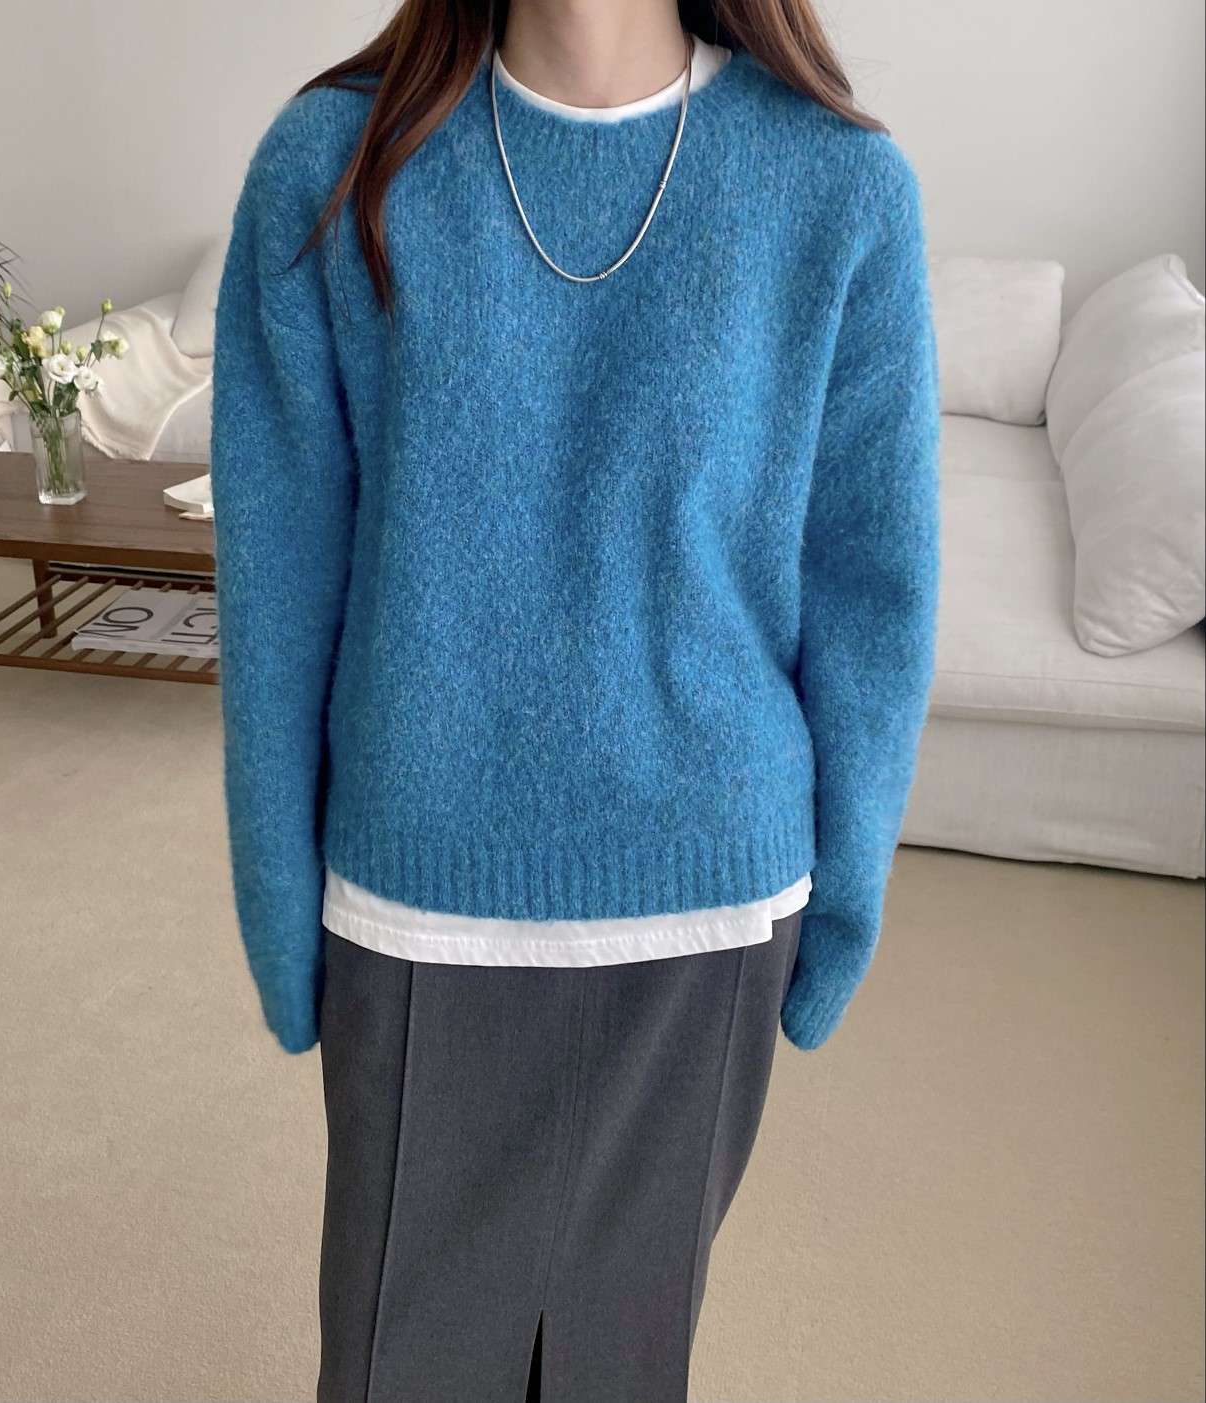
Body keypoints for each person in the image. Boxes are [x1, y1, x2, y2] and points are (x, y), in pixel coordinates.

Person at [209, 0, 940, 1397]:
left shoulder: (839, 185)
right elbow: (279, 578)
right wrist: (276, 902)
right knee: (396, 1364)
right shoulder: (331, 165)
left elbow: (872, 583)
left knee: (625, 1364)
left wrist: (845, 898)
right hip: (421, 900)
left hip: (708, 904)